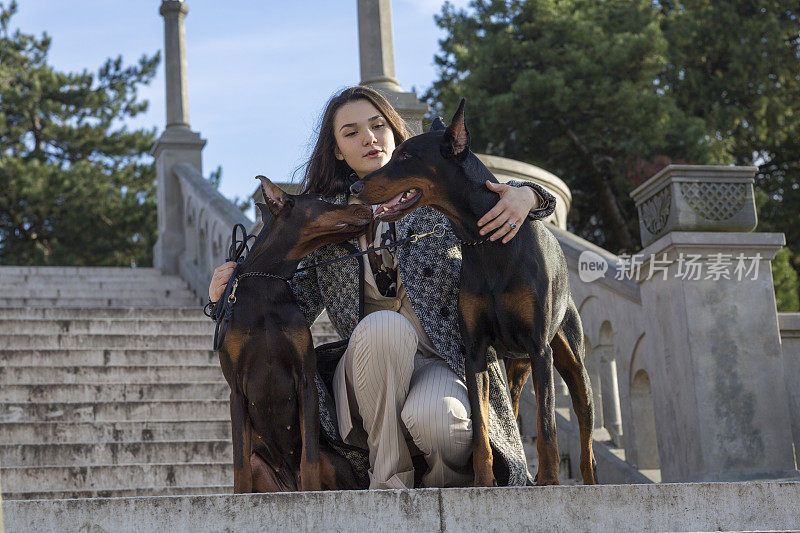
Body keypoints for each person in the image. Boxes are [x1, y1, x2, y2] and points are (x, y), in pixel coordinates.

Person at [208, 86, 556, 489]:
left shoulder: (435, 192)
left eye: (377, 125)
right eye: (351, 132)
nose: (369, 138)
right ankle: (389, 487)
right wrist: (228, 295)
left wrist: (529, 195)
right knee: (384, 329)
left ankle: (439, 495)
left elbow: (489, 187)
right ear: (337, 150)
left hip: (439, 361)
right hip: (365, 372)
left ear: (394, 130)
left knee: (444, 427)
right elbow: (289, 304)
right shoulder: (325, 217)